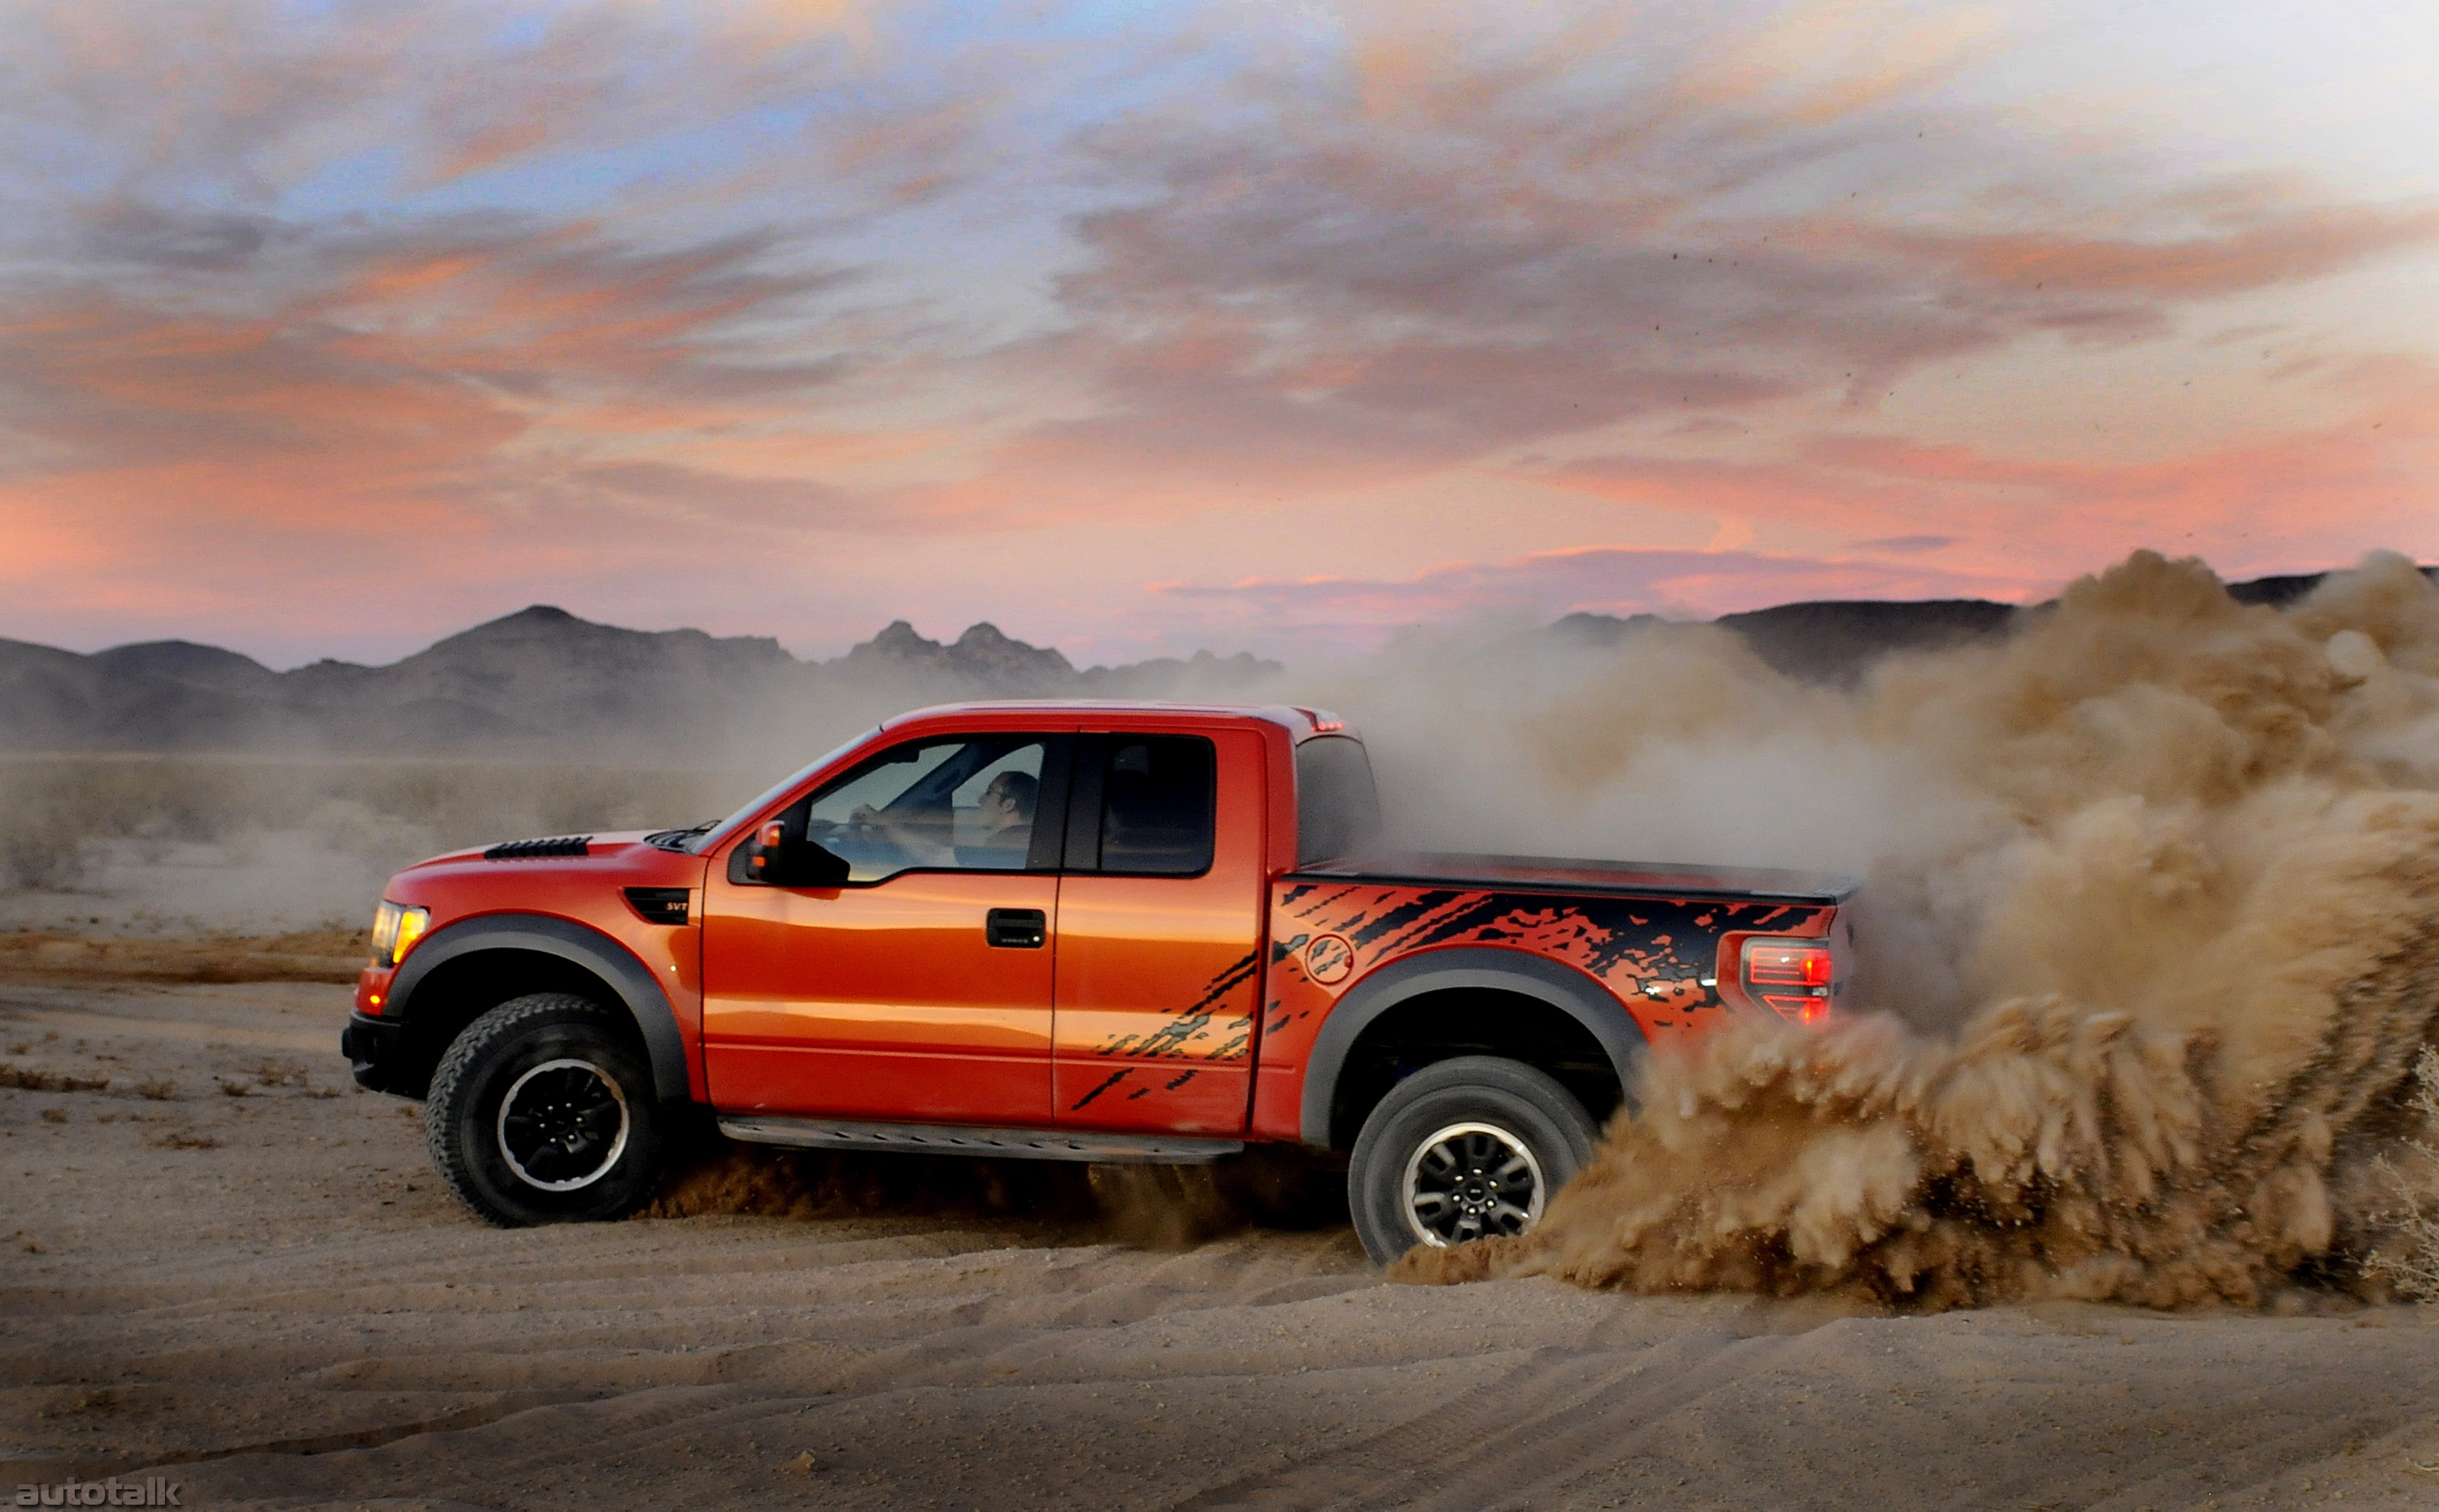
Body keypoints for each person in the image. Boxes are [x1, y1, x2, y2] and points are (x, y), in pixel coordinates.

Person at [850, 767, 1037, 868]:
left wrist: (885, 823)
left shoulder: (1004, 849)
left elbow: (934, 856)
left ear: (1008, 805)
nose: (980, 800)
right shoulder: (1025, 842)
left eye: (989, 793)